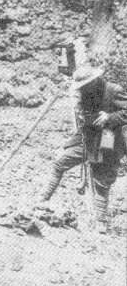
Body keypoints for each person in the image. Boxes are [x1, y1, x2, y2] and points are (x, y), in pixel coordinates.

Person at [39, 65, 127, 232]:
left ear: (94, 80)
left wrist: (110, 117)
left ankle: (101, 222)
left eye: (86, 84)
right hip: (87, 138)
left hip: (108, 138)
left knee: (102, 179)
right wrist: (69, 142)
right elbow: (82, 118)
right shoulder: (83, 93)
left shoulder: (114, 90)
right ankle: (42, 200)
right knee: (60, 163)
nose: (83, 88)